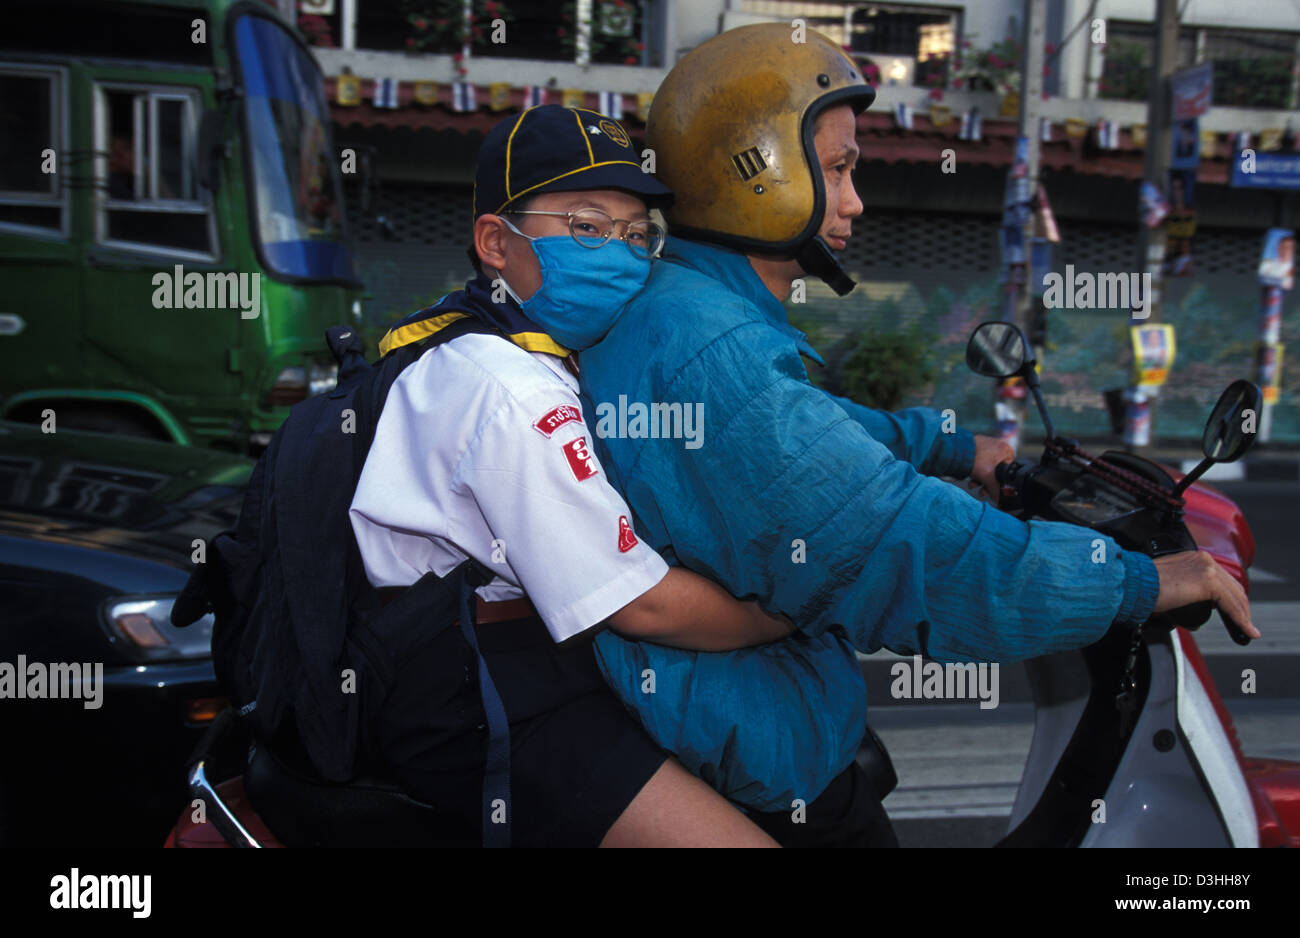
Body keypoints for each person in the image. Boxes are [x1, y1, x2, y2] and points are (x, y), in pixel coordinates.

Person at [575, 23, 1258, 846]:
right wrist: (1141, 583)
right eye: (837, 170)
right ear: (756, 171)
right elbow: (907, 549)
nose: (857, 201)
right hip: (760, 765)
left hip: (722, 723)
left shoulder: (685, 311)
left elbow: (814, 435)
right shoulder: (716, 352)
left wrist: (950, 446)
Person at [356, 105, 794, 847]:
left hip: (505, 658)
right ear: (496, 242)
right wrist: (794, 610)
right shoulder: (508, 386)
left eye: (635, 236)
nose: (621, 257)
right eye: (587, 228)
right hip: (478, 692)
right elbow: (642, 606)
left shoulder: (504, 345)